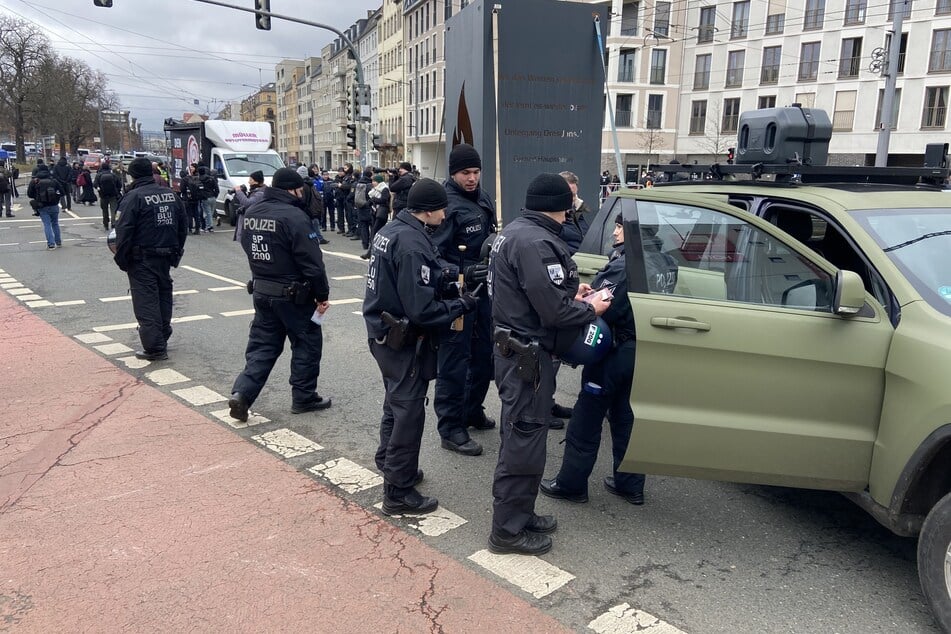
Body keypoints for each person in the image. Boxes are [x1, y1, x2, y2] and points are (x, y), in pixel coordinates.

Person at [486, 172, 611, 555]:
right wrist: (588, 307)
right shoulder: (536, 241)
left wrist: (573, 291)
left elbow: (535, 292)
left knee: (526, 436)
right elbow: (553, 311)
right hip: (526, 357)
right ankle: (507, 531)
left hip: (518, 351)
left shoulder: (518, 231)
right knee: (523, 440)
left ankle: (521, 514)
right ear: (562, 205)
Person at [362, 178, 483, 515]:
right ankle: (398, 491)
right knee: (408, 413)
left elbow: (416, 274)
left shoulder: (394, 231)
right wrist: (461, 306)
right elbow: (422, 310)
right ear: (427, 210)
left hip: (383, 334)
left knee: (395, 403)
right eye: (441, 208)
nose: (445, 216)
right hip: (404, 340)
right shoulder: (412, 242)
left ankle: (390, 463)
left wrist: (451, 275)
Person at [540, 214, 646, 507]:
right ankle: (630, 484)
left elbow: (600, 305)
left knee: (586, 419)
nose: (615, 231)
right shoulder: (660, 260)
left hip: (613, 352)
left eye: (620, 227)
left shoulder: (625, 265)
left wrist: (581, 298)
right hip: (640, 351)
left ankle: (571, 484)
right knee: (625, 416)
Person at [228, 167, 332, 421]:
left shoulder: (253, 211)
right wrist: (322, 294)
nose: (302, 194)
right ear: (291, 190)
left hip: (262, 290)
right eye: (300, 190)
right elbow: (312, 263)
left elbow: (245, 243)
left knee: (263, 347)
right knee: (306, 343)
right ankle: (304, 397)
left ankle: (242, 393)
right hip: (294, 295)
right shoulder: (294, 216)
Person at [432, 143, 497, 457]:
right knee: (455, 361)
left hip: (483, 290)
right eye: (464, 173)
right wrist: (463, 271)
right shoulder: (446, 206)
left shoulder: (482, 197)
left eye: (475, 171)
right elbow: (434, 256)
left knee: (484, 355)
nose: (471, 178)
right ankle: (450, 428)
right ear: (453, 173)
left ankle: (472, 410)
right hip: (456, 290)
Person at [112, 157, 188, 360]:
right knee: (163, 296)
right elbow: (182, 226)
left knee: (146, 301)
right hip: (165, 255)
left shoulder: (133, 197)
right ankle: (162, 335)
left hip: (142, 257)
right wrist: (177, 252)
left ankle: (154, 347)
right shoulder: (170, 195)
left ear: (133, 175)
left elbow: (123, 230)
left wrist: (122, 259)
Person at [27, 163, 64, 249]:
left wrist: (36, 196)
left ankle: (51, 244)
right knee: (55, 223)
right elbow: (62, 192)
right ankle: (58, 241)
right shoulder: (53, 180)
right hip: (54, 205)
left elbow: (29, 194)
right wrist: (56, 197)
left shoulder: (35, 181)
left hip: (42, 205)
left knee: (47, 224)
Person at [231, 169, 265, 242]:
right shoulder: (256, 191)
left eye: (250, 180)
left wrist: (239, 191)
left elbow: (247, 203)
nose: (248, 182)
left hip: (253, 225)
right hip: (250, 224)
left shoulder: (260, 193)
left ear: (256, 181)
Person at [364, 171, 390, 258]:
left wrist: (374, 199)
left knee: (375, 232)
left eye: (374, 181)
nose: (372, 183)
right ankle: (370, 251)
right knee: (374, 232)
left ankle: (372, 252)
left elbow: (384, 200)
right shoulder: (374, 190)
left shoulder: (384, 189)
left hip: (381, 213)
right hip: (375, 212)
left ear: (378, 182)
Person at [95, 159, 121, 230]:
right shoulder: (113, 175)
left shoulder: (99, 175)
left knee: (104, 210)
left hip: (103, 195)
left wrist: (100, 190)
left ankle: (105, 223)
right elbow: (119, 184)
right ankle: (113, 223)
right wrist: (117, 191)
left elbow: (95, 184)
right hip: (113, 195)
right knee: (113, 210)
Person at [353, 167, 374, 252]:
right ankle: (372, 243)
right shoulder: (369, 185)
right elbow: (372, 197)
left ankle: (364, 244)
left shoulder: (359, 183)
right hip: (368, 207)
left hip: (360, 207)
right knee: (372, 226)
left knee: (364, 226)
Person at [196, 164, 218, 232]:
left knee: (207, 213)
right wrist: (215, 195)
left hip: (205, 198)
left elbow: (197, 189)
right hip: (212, 197)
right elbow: (217, 188)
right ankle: (209, 225)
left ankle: (209, 227)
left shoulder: (198, 180)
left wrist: (201, 197)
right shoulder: (211, 178)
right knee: (210, 212)